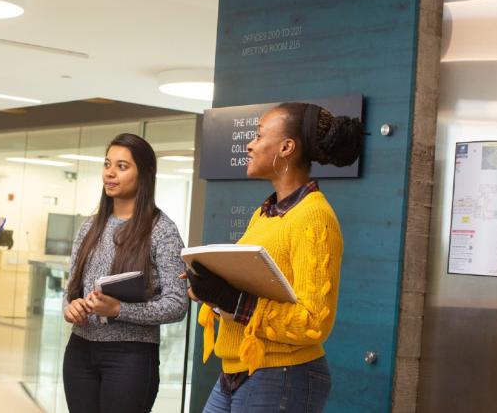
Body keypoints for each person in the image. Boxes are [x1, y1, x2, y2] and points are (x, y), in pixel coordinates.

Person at [187, 103, 364, 413]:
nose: (250, 144)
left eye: (258, 136)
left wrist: (233, 301)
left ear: (286, 147)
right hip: (238, 368)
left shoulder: (313, 217)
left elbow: (314, 322)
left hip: (283, 373)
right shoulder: (264, 213)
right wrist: (212, 289)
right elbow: (247, 293)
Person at [62, 133, 188, 413]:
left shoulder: (162, 230)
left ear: (143, 174)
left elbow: (178, 305)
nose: (110, 173)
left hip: (130, 357)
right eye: (107, 164)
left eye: (122, 166)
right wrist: (71, 307)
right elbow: (71, 287)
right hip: (79, 351)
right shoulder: (89, 227)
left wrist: (119, 309)